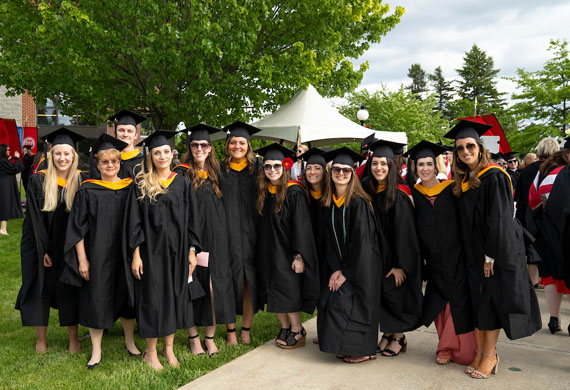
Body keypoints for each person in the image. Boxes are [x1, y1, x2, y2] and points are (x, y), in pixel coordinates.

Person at [445, 120, 541, 379]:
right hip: (473, 253)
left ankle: (490, 354)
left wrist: (490, 255)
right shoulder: (465, 179)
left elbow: (498, 220)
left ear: (480, 147)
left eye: (470, 146)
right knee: (477, 302)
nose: (465, 151)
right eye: (460, 148)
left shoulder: (495, 176)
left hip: (494, 252)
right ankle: (480, 352)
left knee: (490, 301)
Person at [61, 133, 140, 369]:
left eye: (114, 161)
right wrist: (82, 260)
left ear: (120, 163)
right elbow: (77, 229)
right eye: (105, 162)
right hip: (97, 254)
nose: (110, 165)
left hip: (124, 252)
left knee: (127, 296)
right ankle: (96, 351)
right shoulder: (87, 191)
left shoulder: (130, 188)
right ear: (97, 164)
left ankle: (130, 342)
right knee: (96, 297)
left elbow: (138, 224)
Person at [126, 130, 202, 370]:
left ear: (172, 154)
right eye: (157, 152)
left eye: (166, 152)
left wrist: (192, 250)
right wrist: (136, 254)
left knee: (174, 299)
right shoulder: (141, 183)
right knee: (152, 299)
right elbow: (134, 221)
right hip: (151, 253)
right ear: (151, 156)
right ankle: (151, 352)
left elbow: (192, 220)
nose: (162, 156)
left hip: (178, 252)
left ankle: (168, 350)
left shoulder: (183, 183)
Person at [15, 128, 86, 353]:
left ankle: (73, 339)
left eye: (67, 154)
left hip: (69, 242)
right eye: (58, 154)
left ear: (74, 156)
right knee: (40, 287)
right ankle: (41, 339)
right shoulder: (39, 180)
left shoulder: (81, 180)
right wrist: (43, 249)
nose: (62, 158)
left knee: (69, 287)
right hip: (39, 241)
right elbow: (35, 218)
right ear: (50, 155)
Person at [406, 140, 476, 366]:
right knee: (439, 303)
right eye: (420, 165)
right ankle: (444, 347)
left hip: (456, 256)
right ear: (414, 168)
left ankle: (464, 349)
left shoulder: (451, 190)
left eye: (428, 164)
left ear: (436, 167)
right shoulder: (413, 195)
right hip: (432, 260)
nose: (425, 169)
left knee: (458, 300)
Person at [173, 124, 236, 356]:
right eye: (195, 145)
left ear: (210, 148)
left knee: (214, 289)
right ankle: (193, 338)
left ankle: (209, 337)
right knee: (192, 288)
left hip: (217, 240)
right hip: (194, 240)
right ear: (190, 147)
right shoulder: (180, 174)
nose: (199, 148)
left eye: (204, 145)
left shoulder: (217, 173)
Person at [317, 147, 382, 363]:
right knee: (329, 298)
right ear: (331, 172)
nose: (341, 173)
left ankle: (364, 350)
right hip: (344, 266)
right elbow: (329, 242)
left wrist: (348, 273)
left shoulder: (358, 202)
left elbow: (363, 243)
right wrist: (336, 269)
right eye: (337, 169)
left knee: (349, 302)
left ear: (353, 173)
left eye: (346, 170)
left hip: (363, 267)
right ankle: (345, 346)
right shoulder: (329, 203)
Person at [362, 139, 422, 357]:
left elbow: (405, 235)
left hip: (397, 256)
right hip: (379, 255)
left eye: (384, 164)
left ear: (391, 166)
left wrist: (400, 265)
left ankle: (399, 336)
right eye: (375, 163)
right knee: (384, 296)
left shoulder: (400, 194)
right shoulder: (369, 188)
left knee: (395, 294)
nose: (379, 168)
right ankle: (387, 333)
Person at [256, 143, 319, 349]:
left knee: (287, 289)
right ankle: (284, 327)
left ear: (284, 167)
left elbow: (302, 227)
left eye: (276, 166)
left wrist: (299, 256)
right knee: (272, 289)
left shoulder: (294, 192)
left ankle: (297, 328)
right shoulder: (265, 191)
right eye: (268, 167)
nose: (272, 170)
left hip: (287, 250)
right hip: (269, 249)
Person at [219, 121, 261, 345]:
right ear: (227, 146)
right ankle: (230, 331)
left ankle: (246, 329)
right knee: (227, 280)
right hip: (226, 234)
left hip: (252, 233)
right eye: (233, 142)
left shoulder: (258, 170)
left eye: (241, 142)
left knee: (248, 281)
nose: (237, 146)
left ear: (248, 146)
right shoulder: (219, 170)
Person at [529, 144, 570, 334]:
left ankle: (554, 319)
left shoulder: (544, 172)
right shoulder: (563, 173)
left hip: (544, 231)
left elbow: (533, 200)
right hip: (563, 231)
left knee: (550, 275)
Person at [516, 138, 559, 288]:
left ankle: (533, 280)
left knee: (532, 248)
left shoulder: (527, 169)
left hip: (530, 213)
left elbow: (519, 195)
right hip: (551, 215)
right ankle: (554, 280)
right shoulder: (559, 168)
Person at [299, 147, 330, 345]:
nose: (312, 172)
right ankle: (323, 330)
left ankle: (328, 330)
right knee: (317, 290)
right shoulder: (301, 194)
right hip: (310, 248)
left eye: (317, 168)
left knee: (329, 291)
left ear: (324, 171)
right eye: (309, 168)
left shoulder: (332, 193)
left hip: (329, 249)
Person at [107, 109, 147, 179]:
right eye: (121, 130)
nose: (125, 134)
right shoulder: (108, 160)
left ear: (136, 135)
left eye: (130, 131)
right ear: (115, 133)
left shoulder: (143, 162)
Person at [0, 143, 24, 235]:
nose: (10, 151)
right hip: (5, 187)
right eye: (8, 150)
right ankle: (3, 229)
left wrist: (8, 160)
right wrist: (17, 158)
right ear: (3, 151)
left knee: (4, 206)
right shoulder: (3, 161)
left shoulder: (3, 161)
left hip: (4, 185)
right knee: (5, 206)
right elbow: (17, 168)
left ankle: (3, 229)